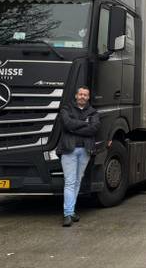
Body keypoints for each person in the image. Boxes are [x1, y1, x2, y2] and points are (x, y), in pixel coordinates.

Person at [57, 86, 101, 227]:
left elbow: (94, 129)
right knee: (70, 182)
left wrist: (75, 127)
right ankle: (67, 214)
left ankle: (71, 211)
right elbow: (67, 124)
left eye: (85, 95)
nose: (82, 97)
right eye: (80, 94)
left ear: (88, 98)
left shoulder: (93, 112)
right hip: (68, 150)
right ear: (76, 96)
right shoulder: (66, 109)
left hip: (85, 151)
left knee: (77, 181)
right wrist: (84, 123)